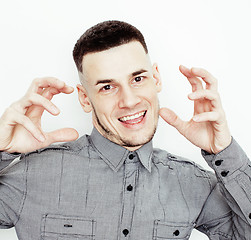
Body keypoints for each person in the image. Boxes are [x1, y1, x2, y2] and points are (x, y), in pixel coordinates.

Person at [0, 20, 250, 240]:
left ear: (157, 79)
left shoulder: (194, 183)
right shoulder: (31, 174)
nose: (129, 101)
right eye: (107, 87)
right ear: (85, 99)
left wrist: (224, 151)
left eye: (138, 79)